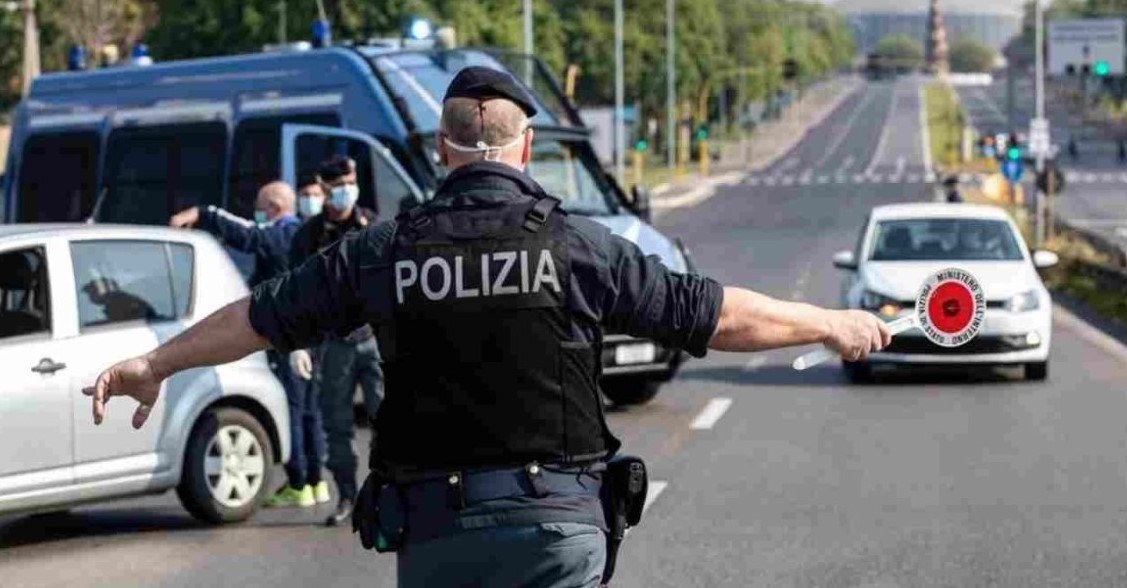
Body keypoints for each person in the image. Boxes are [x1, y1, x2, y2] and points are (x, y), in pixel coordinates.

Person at [86, 67, 890, 588]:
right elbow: (710, 315)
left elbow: (257, 319)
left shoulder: (382, 251)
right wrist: (826, 321)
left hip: (439, 537)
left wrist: (155, 364)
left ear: (442, 150)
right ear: (526, 148)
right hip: (558, 532)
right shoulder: (574, 244)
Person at [168, 182, 328, 508]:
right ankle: (316, 482)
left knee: (294, 410)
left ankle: (299, 482)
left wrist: (205, 214)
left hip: (293, 339)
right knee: (311, 412)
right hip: (315, 335)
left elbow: (249, 235)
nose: (257, 213)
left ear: (274, 207)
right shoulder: (308, 234)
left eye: (260, 207)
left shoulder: (285, 233)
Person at [288, 155, 383, 527]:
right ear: (325, 189)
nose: (346, 191)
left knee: (388, 421)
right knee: (337, 426)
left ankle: (389, 493)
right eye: (339, 186)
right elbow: (292, 294)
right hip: (333, 345)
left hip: (375, 340)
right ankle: (347, 495)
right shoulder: (308, 237)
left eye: (350, 183)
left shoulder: (372, 225)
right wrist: (296, 343)